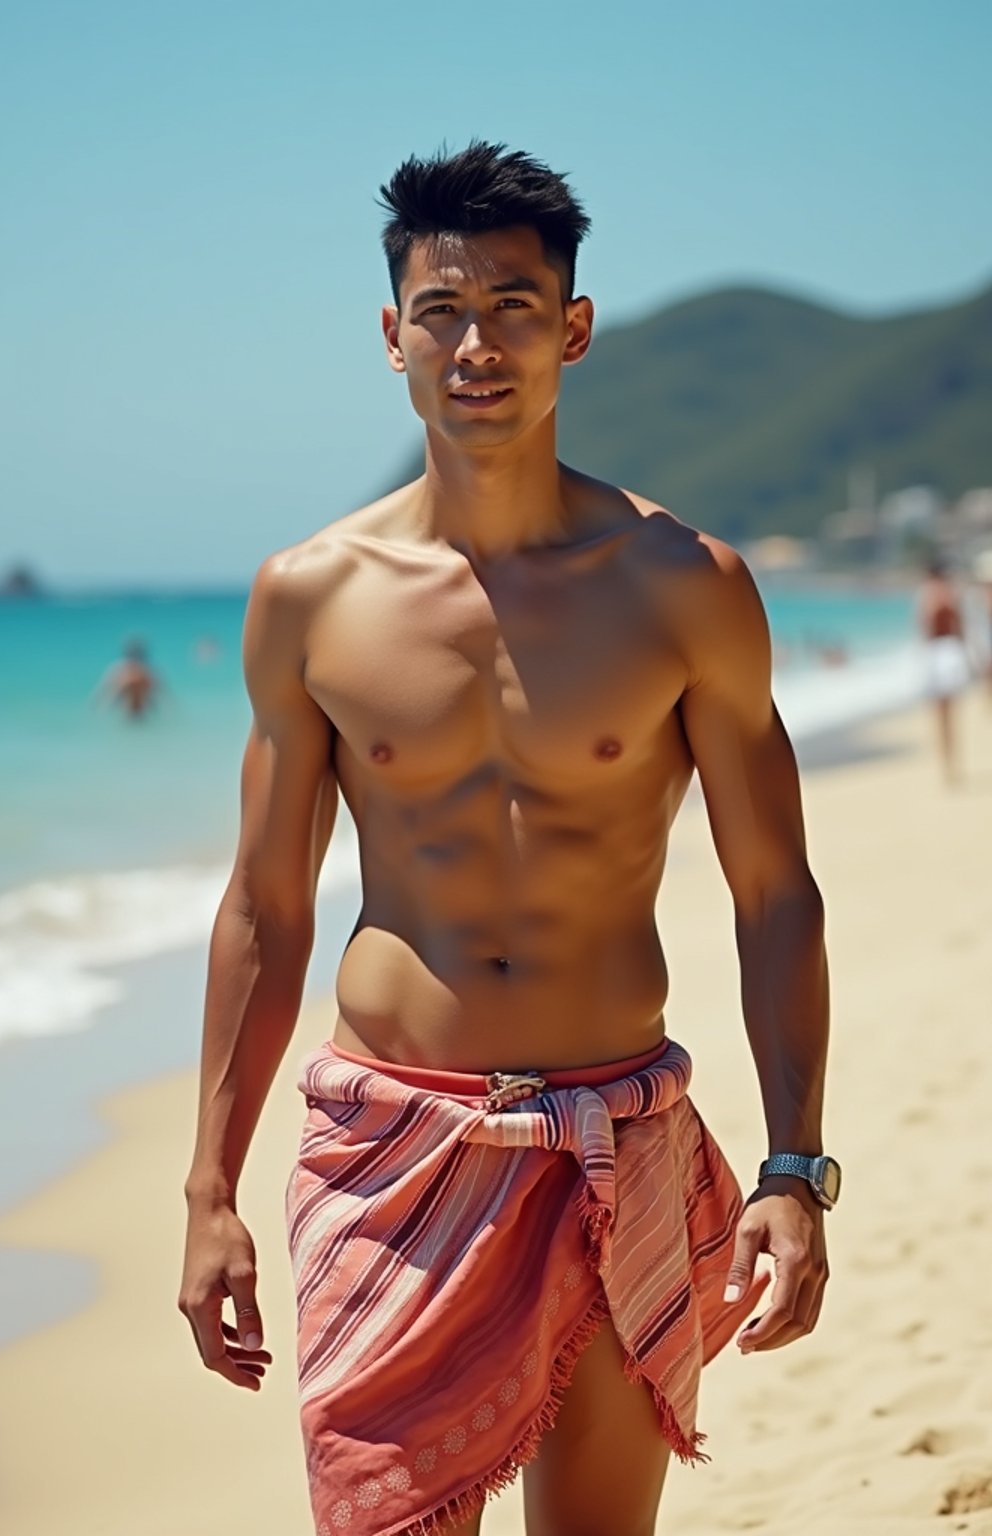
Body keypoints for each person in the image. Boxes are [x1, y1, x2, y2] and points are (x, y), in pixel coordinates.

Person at [179, 142, 836, 1536]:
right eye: (442, 310)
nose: (476, 344)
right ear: (391, 336)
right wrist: (207, 1192)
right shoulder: (309, 597)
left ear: (574, 330)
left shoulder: (684, 586)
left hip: (618, 1129)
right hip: (388, 1151)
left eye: (517, 309)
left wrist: (794, 1166)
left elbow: (775, 892)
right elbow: (264, 908)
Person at [918, 557, 969, 783]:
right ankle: (950, 763)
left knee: (941, 714)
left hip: (938, 652)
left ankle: (948, 763)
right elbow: (961, 628)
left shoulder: (928, 595)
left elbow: (924, 629)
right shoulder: (950, 594)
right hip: (949, 651)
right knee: (948, 713)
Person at [94, 637, 162, 720]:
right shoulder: (119, 669)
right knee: (129, 679)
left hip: (140, 708)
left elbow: (160, 692)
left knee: (136, 679)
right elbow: (103, 690)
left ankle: (137, 710)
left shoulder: (148, 671)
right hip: (127, 709)